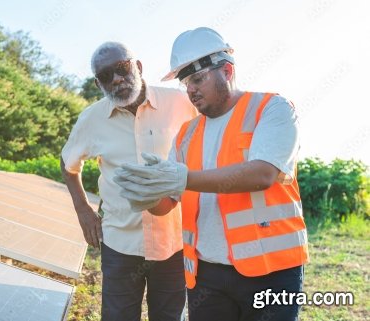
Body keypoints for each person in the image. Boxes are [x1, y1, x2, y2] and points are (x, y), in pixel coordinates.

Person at [114, 27, 308, 321]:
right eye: (185, 82)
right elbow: (167, 203)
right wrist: (145, 196)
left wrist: (184, 178)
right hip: (206, 275)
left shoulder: (271, 109)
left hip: (272, 271)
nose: (190, 89)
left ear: (227, 71)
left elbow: (263, 173)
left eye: (198, 78)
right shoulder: (186, 135)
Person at [60, 41, 197, 321]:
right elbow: (68, 162)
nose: (118, 80)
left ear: (139, 67)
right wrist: (83, 209)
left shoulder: (180, 104)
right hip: (120, 243)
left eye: (122, 69)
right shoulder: (91, 119)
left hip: (173, 240)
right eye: (107, 76)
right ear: (99, 83)